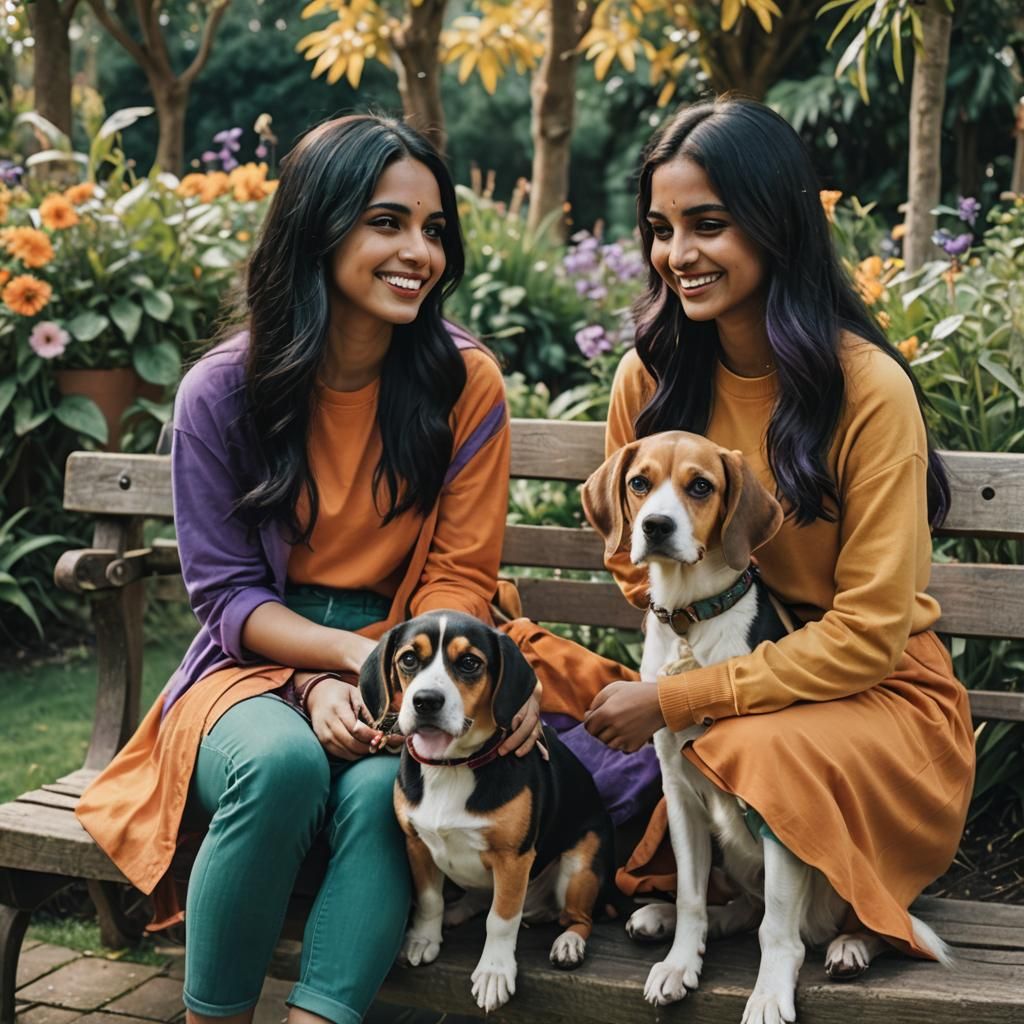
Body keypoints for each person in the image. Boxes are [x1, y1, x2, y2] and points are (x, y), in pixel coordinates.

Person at [76, 114, 542, 1024]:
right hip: (250, 666)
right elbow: (227, 596)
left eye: (434, 229)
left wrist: (393, 681)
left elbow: (457, 579)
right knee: (284, 766)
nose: (419, 251)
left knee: (385, 789)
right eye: (387, 223)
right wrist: (317, 676)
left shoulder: (464, 384)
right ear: (317, 228)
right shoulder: (223, 390)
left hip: (414, 662)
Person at [547, 97, 974, 971]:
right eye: (661, 229)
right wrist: (702, 649)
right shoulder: (651, 376)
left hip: (878, 695)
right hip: (720, 659)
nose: (678, 256)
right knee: (560, 685)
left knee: (733, 737)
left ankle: (820, 895)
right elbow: (636, 563)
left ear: (776, 224)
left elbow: (870, 634)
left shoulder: (866, 391)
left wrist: (682, 694)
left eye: (709, 224)